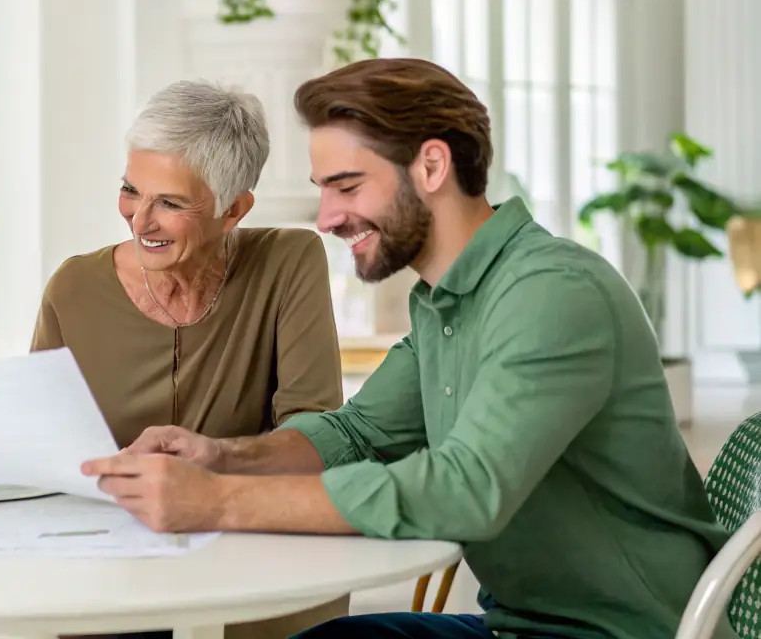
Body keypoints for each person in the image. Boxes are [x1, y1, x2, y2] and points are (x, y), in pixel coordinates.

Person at [81, 58, 729, 639]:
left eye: (346, 186)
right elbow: (357, 432)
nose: (327, 217)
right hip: (519, 623)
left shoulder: (551, 293)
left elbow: (465, 489)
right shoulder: (446, 303)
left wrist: (215, 501)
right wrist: (221, 456)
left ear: (430, 166)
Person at [33, 80, 347, 639]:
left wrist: (220, 466)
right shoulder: (74, 287)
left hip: (254, 533)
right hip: (115, 543)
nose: (139, 220)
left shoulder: (288, 261)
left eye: (171, 203)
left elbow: (314, 430)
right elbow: (42, 441)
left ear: (233, 210)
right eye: (131, 190)